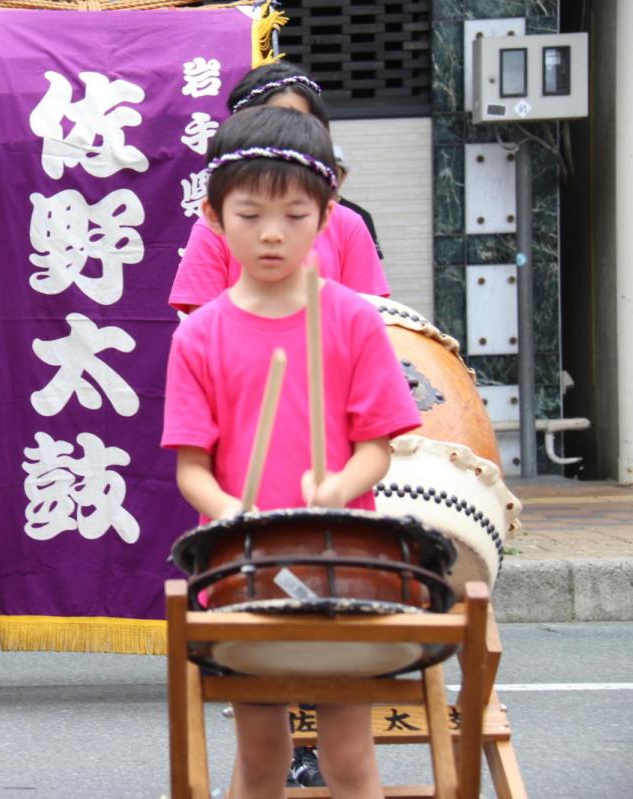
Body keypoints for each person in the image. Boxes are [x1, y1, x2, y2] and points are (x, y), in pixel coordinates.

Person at [161, 106, 421, 799]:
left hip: (344, 563)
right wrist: (235, 513)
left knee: (349, 751)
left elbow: (378, 448)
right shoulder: (200, 337)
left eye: (295, 215)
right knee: (260, 746)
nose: (272, 233)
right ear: (214, 219)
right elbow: (192, 467)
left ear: (327, 214)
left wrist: (338, 487)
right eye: (249, 215)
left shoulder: (354, 319)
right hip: (246, 567)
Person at [169, 62, 390, 314]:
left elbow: (370, 316)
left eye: (296, 216)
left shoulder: (348, 225)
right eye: (249, 216)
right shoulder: (213, 229)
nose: (284, 137)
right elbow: (202, 331)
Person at [332, 144, 384, 261]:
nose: (329, 177)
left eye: (334, 172)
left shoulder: (360, 217)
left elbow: (370, 266)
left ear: (343, 176)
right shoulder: (303, 214)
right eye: (324, 171)